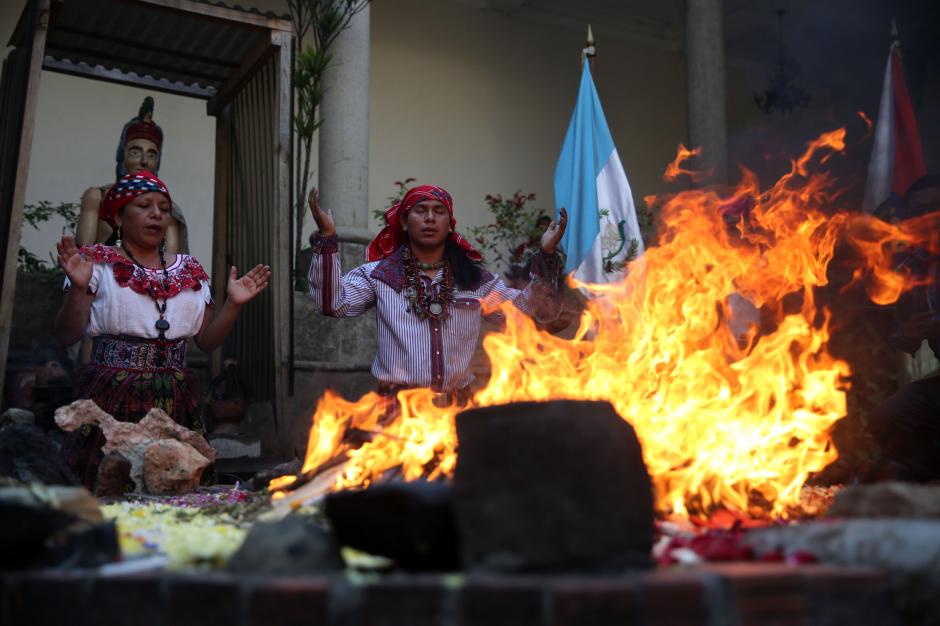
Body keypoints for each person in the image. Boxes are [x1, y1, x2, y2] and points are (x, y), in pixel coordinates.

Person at [54, 171, 271, 489]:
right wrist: (78, 288)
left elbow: (207, 341)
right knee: (105, 484)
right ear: (117, 215)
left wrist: (234, 304)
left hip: (174, 397)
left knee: (174, 486)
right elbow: (65, 335)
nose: (156, 214)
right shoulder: (95, 265)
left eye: (164, 208)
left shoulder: (189, 269)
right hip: (110, 394)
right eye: (143, 205)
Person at [307, 184, 567, 401]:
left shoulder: (474, 279)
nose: (430, 218)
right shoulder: (379, 274)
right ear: (405, 223)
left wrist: (546, 256)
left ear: (449, 224)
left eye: (438, 211)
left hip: (456, 406)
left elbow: (524, 311)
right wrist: (328, 237)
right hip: (398, 408)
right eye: (420, 211)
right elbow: (333, 303)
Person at [867, 174, 940, 482]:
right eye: (918, 212)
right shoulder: (910, 268)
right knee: (890, 416)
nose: (927, 218)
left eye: (935, 207)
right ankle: (924, 477)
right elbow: (899, 335)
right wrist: (904, 336)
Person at [76, 97, 188, 255]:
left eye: (151, 155)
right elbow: (84, 250)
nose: (143, 161)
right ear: (123, 155)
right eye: (135, 152)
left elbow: (171, 260)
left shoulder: (166, 208)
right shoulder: (98, 196)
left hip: (148, 276)